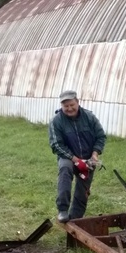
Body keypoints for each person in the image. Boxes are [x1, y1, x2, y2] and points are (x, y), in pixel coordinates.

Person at [48, 90, 106, 223]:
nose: (69, 108)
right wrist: (75, 160)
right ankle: (62, 209)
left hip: (88, 158)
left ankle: (76, 219)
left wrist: (95, 154)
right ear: (61, 106)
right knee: (65, 170)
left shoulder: (89, 117)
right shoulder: (56, 121)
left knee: (83, 190)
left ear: (78, 102)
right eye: (65, 106)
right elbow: (56, 145)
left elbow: (100, 137)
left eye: (71, 105)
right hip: (67, 157)